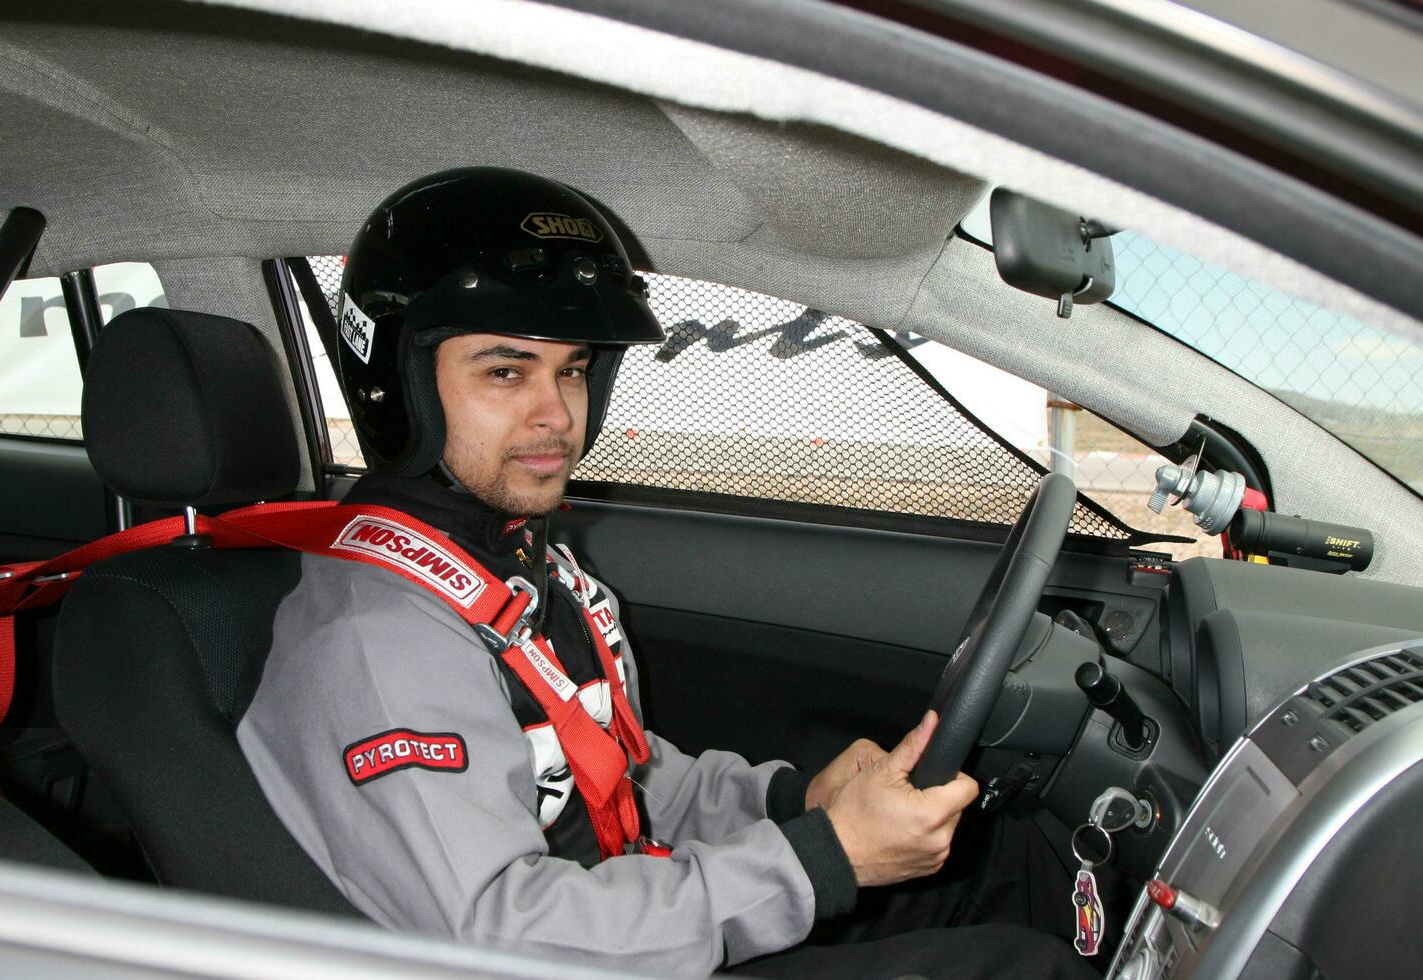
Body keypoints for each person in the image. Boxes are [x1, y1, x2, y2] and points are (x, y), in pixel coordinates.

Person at [237, 168, 1096, 978]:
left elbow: (624, 777)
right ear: (403, 384)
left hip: (627, 919)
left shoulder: (518, 568)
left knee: (1002, 865)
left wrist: (795, 802)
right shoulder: (378, 640)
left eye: (573, 370)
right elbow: (499, 940)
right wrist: (820, 861)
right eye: (505, 371)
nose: (556, 414)